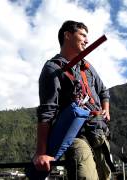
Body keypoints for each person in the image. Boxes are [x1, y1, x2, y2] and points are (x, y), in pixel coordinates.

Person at [33, 20, 111, 179]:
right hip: (76, 135)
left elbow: (103, 90)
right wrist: (41, 153)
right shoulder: (52, 69)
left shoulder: (87, 67)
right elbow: (46, 113)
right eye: (82, 35)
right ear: (67, 35)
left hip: (99, 134)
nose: (87, 40)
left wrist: (106, 110)